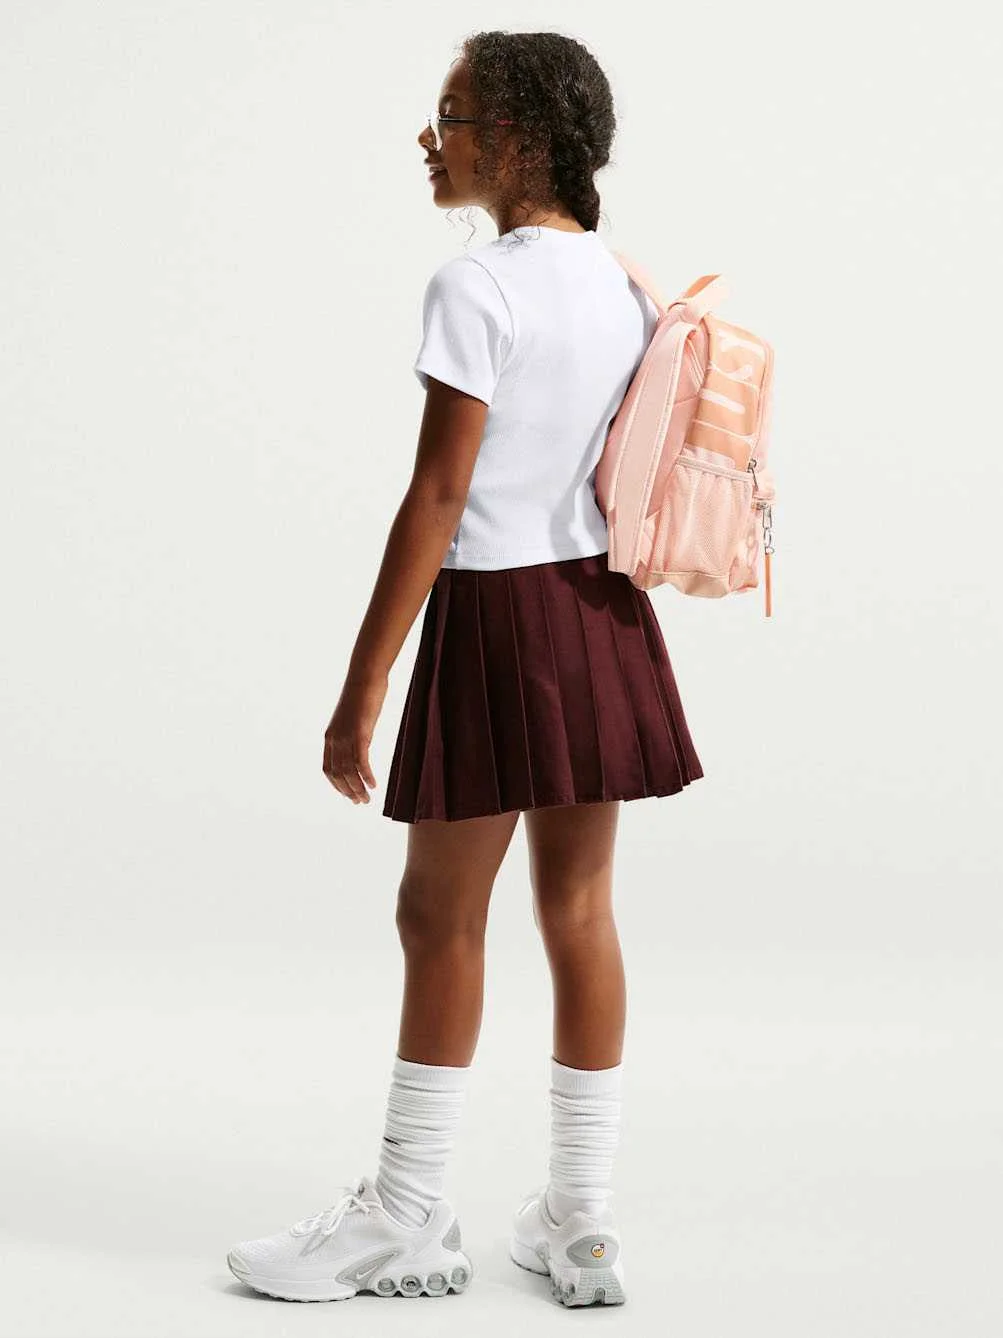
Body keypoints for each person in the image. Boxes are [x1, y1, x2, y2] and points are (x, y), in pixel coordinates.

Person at [226, 30, 703, 1309]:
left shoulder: (475, 287)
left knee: (437, 917)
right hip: (601, 616)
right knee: (580, 912)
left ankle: (404, 1213)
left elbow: (438, 497)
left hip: (495, 619)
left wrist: (362, 684)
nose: (430, 139)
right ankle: (582, 1223)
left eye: (452, 115)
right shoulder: (625, 284)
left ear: (522, 140)